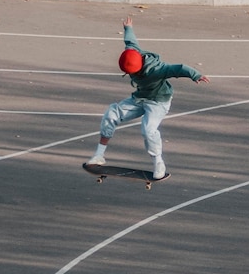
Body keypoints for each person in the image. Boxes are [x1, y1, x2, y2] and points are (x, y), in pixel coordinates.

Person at [86, 16, 210, 179]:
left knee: (148, 129)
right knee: (111, 113)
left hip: (158, 102)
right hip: (140, 98)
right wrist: (128, 28)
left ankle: (159, 162)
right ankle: (99, 155)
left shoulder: (158, 69)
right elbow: (130, 41)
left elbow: (179, 68)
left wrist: (195, 75)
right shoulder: (134, 53)